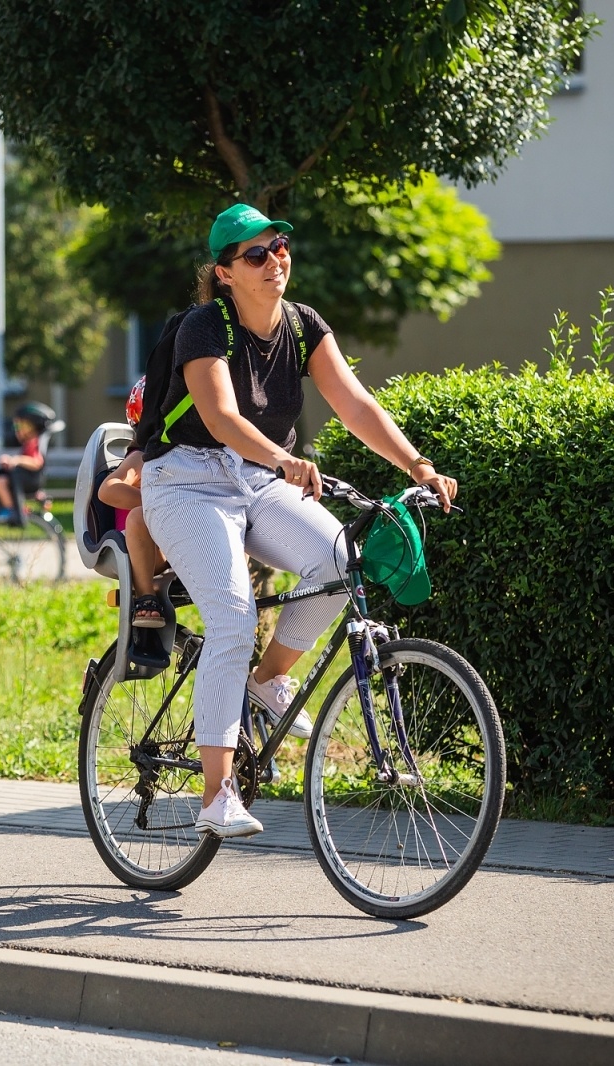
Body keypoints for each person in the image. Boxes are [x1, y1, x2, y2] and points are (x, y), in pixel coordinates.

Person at [140, 203, 458, 839]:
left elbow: (354, 403)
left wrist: (418, 464)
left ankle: (269, 679)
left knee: (337, 558)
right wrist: (286, 458)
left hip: (255, 479)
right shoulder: (205, 326)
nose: (273, 261)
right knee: (231, 615)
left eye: (279, 247)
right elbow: (221, 414)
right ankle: (215, 794)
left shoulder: (303, 325)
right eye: (255, 254)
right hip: (185, 483)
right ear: (225, 273)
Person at [96, 376, 166, 626]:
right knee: (139, 518)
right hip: (142, 548)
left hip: (171, 542)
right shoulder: (143, 457)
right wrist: (155, 503)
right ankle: (146, 594)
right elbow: (108, 490)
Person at [0, 401, 54, 519]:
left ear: (32, 426)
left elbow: (36, 462)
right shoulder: (29, 443)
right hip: (26, 478)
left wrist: (16, 460)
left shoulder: (34, 443)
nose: (16, 430)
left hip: (29, 480)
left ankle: (11, 510)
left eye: (19, 426)